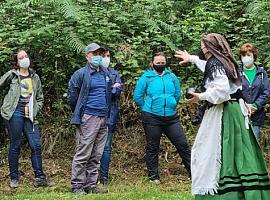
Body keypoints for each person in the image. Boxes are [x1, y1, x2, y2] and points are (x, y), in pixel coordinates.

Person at [175, 33, 270, 199]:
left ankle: (224, 193)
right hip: (234, 110)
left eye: (204, 45)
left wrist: (201, 96)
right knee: (239, 152)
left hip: (224, 112)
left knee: (214, 150)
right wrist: (191, 58)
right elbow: (210, 69)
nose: (202, 49)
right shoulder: (226, 61)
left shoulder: (216, 63)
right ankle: (246, 191)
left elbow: (222, 91)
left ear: (210, 47)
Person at [133, 52, 191, 184]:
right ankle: (154, 176)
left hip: (171, 117)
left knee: (183, 145)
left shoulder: (171, 77)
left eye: (162, 63)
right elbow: (138, 96)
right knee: (153, 147)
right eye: (158, 63)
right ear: (152, 63)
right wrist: (147, 108)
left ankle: (193, 172)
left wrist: (171, 104)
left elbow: (177, 93)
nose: (160, 65)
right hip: (152, 117)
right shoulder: (146, 78)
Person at [0, 49, 49, 188]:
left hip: (30, 115)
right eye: (21, 57)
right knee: (15, 145)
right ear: (16, 61)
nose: (25, 59)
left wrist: (35, 110)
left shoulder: (35, 77)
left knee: (36, 145)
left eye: (26, 56)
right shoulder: (12, 75)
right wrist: (5, 107)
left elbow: (40, 98)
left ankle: (40, 178)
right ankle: (14, 178)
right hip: (14, 114)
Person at [67, 43, 112, 194]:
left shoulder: (105, 73)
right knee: (83, 152)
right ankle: (77, 186)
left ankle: (91, 185)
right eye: (94, 53)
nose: (98, 56)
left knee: (97, 154)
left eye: (100, 53)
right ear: (87, 56)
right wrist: (81, 112)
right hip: (88, 117)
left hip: (103, 117)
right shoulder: (80, 74)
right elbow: (72, 96)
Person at [99, 46, 123, 184]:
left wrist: (111, 88)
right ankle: (90, 176)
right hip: (94, 115)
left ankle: (104, 176)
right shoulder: (92, 73)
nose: (106, 59)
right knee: (90, 146)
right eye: (103, 56)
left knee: (106, 147)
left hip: (110, 116)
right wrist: (110, 88)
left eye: (108, 55)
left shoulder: (114, 73)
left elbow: (116, 92)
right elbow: (99, 92)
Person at [239, 43, 270, 139]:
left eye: (248, 55)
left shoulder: (261, 73)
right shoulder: (237, 72)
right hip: (240, 114)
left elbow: (266, 92)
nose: (246, 58)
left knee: (254, 143)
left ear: (254, 56)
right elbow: (233, 91)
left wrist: (255, 106)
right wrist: (244, 105)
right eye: (243, 55)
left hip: (257, 115)